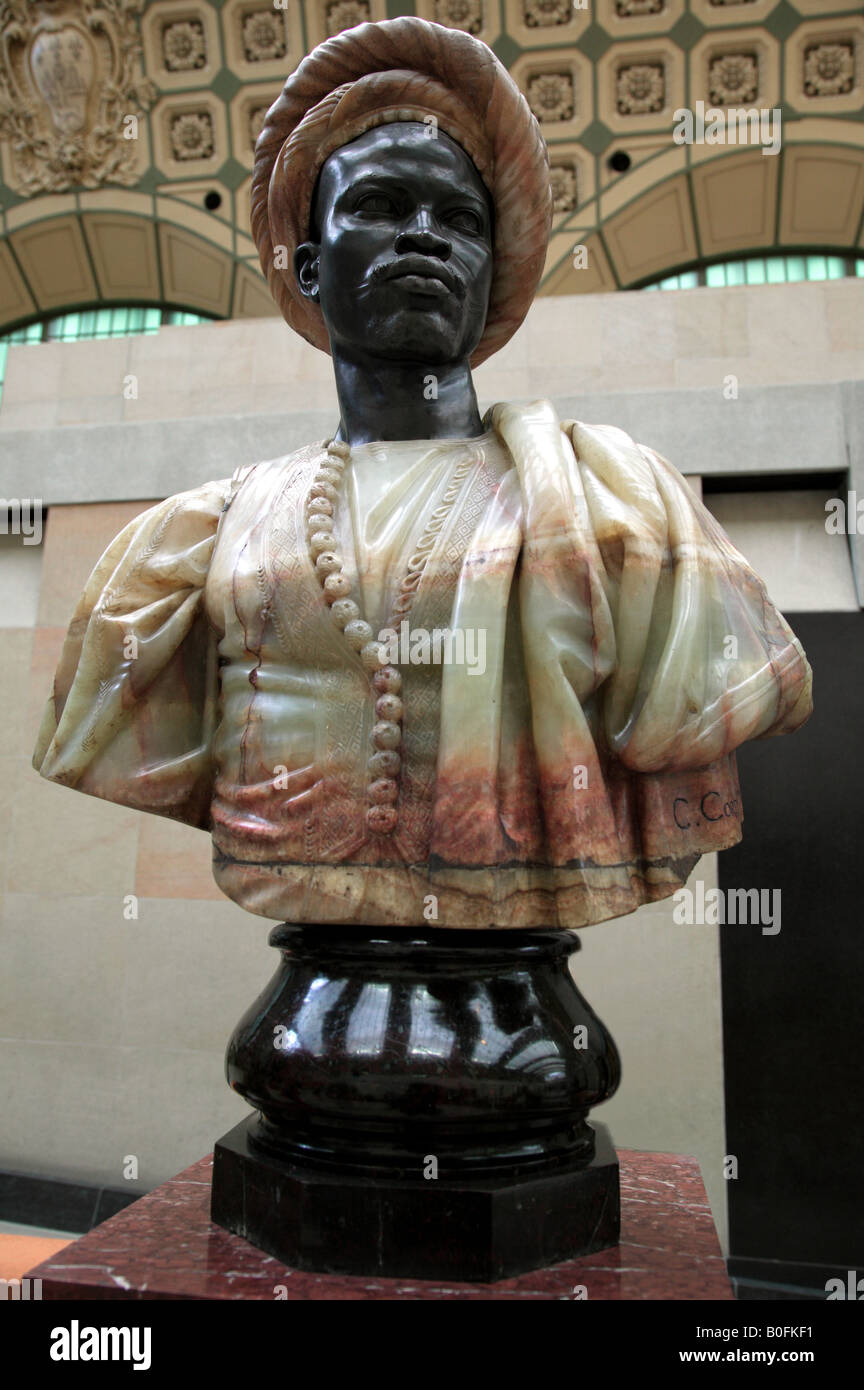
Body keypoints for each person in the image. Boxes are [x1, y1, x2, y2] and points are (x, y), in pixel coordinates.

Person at [33, 17, 812, 930]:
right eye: (380, 206)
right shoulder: (203, 533)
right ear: (311, 267)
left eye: (460, 220)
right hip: (308, 1005)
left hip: (520, 1020)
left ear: (493, 274)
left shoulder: (615, 500)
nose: (423, 238)